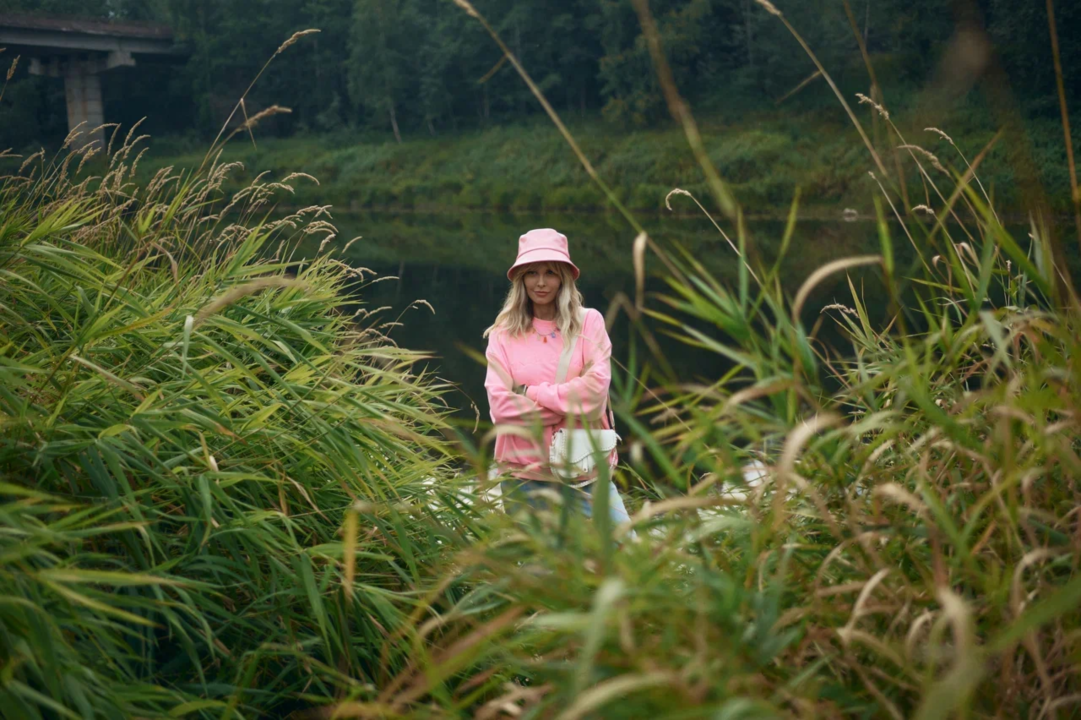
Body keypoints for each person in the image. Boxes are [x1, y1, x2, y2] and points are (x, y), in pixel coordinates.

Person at [483, 228, 634, 529]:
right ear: (521, 279)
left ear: (564, 277)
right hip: (523, 475)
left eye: (550, 272)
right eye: (532, 273)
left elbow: (594, 396)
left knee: (623, 547)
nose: (541, 282)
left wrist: (531, 393)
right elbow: (501, 409)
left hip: (584, 471)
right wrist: (567, 406)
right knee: (538, 558)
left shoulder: (588, 323)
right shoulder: (503, 334)